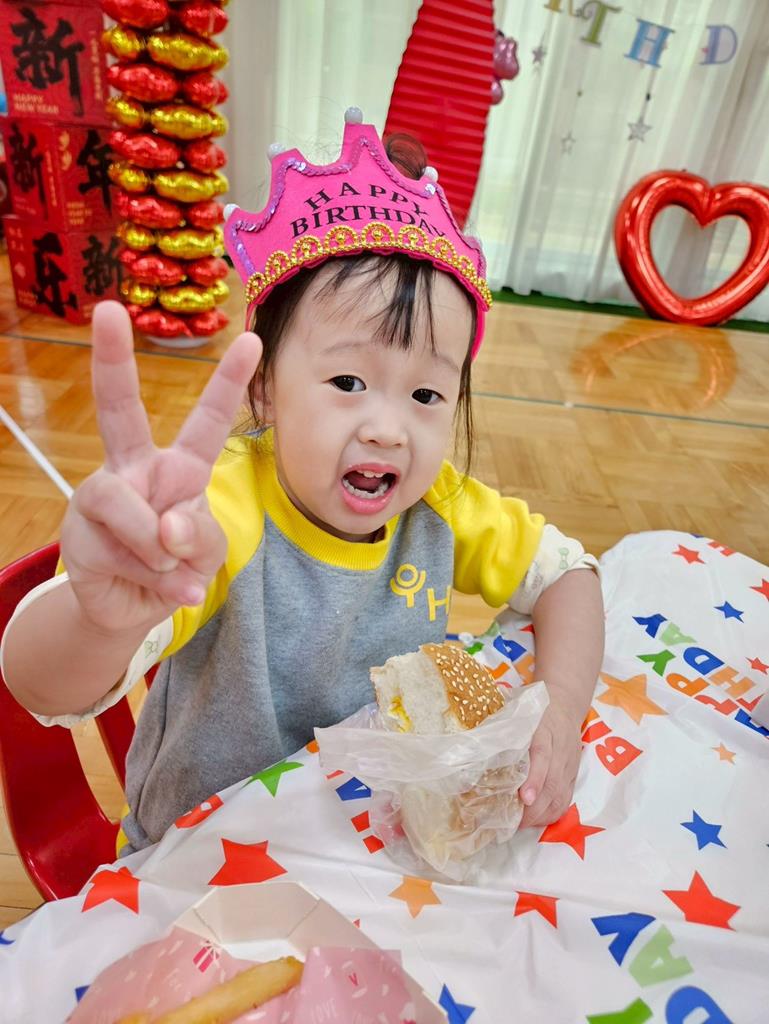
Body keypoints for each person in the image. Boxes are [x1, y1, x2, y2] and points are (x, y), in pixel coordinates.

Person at [1, 109, 604, 855]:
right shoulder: (217, 515)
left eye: (425, 394)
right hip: (201, 863)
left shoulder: (438, 504)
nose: (388, 428)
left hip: (373, 848)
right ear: (263, 388)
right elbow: (41, 686)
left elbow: (570, 575)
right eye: (347, 381)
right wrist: (101, 621)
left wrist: (559, 709)